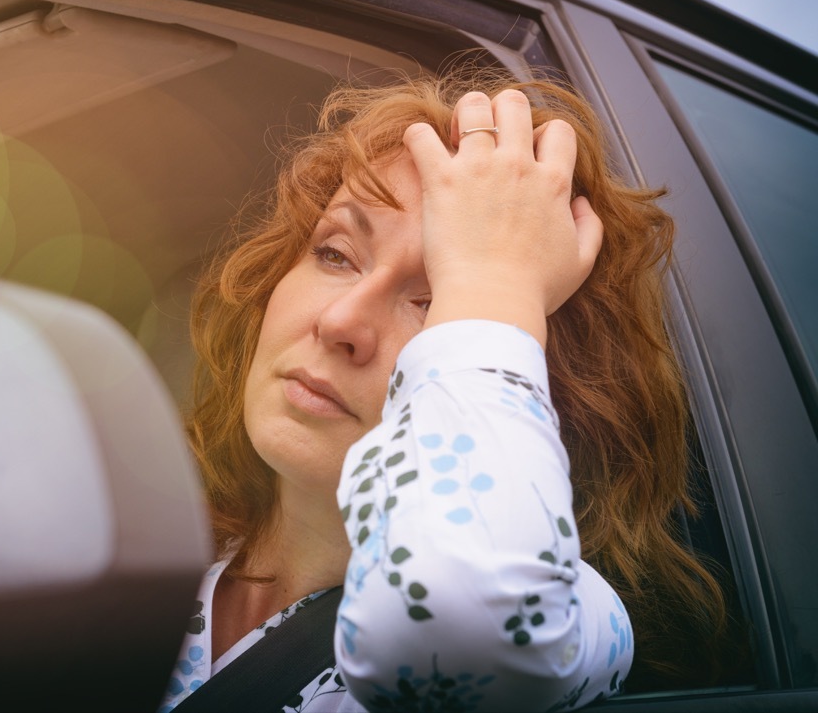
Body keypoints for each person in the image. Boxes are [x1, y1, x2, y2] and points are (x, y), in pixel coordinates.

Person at [160, 72, 730, 713]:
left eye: (437, 303)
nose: (342, 322)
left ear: (526, 374)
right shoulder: (130, 553)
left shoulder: (569, 613)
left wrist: (491, 284)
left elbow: (462, 635)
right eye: (336, 253)